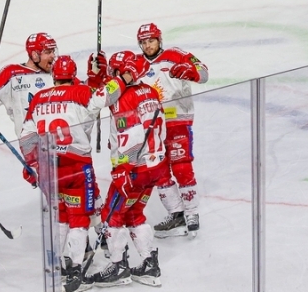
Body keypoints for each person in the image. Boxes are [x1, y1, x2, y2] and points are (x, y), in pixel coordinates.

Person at [21, 55, 130, 292]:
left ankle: (57, 266)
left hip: (49, 167)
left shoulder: (39, 98)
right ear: (73, 76)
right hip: (76, 166)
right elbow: (105, 96)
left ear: (54, 76)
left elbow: (26, 136)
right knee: (78, 218)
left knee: (60, 216)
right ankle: (76, 271)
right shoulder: (81, 92)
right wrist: (123, 78)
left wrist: (31, 164)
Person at [91, 51, 167, 287]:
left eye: (115, 72)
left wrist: (124, 167)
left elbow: (131, 136)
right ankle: (149, 265)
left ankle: (118, 267)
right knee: (135, 214)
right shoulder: (149, 91)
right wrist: (98, 77)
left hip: (134, 168)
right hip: (155, 165)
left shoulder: (123, 98)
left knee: (112, 215)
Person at [134, 23, 208, 238]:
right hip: (151, 126)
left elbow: (204, 73)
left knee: (182, 166)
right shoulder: (136, 64)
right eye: (144, 42)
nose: (148, 45)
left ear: (159, 39)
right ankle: (176, 213)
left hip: (177, 120)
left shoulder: (176, 54)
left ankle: (192, 213)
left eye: (151, 40)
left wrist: (191, 72)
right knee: (158, 171)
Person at [0, 32, 58, 141]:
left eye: (53, 51)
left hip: (61, 139)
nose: (53, 56)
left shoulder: (57, 72)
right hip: (31, 143)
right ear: (35, 55)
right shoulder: (11, 74)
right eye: (48, 52)